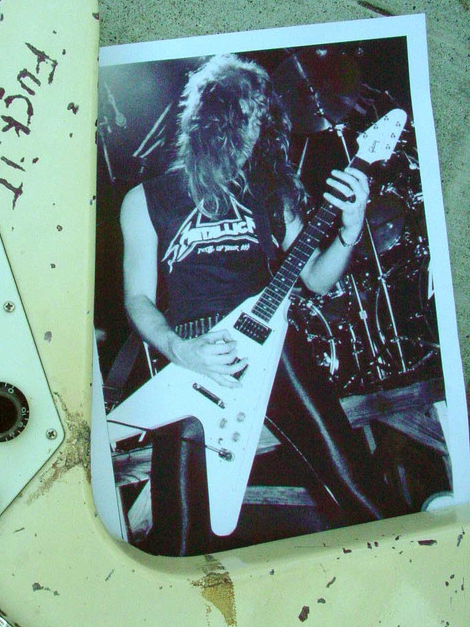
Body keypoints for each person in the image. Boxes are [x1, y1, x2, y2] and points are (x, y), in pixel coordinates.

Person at [118, 53, 399, 553]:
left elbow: (314, 279)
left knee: (358, 486)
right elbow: (138, 297)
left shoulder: (271, 192)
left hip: (273, 346)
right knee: (180, 537)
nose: (252, 133)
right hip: (193, 356)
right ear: (212, 119)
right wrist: (180, 349)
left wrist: (350, 231)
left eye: (259, 121)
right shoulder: (146, 199)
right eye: (242, 118)